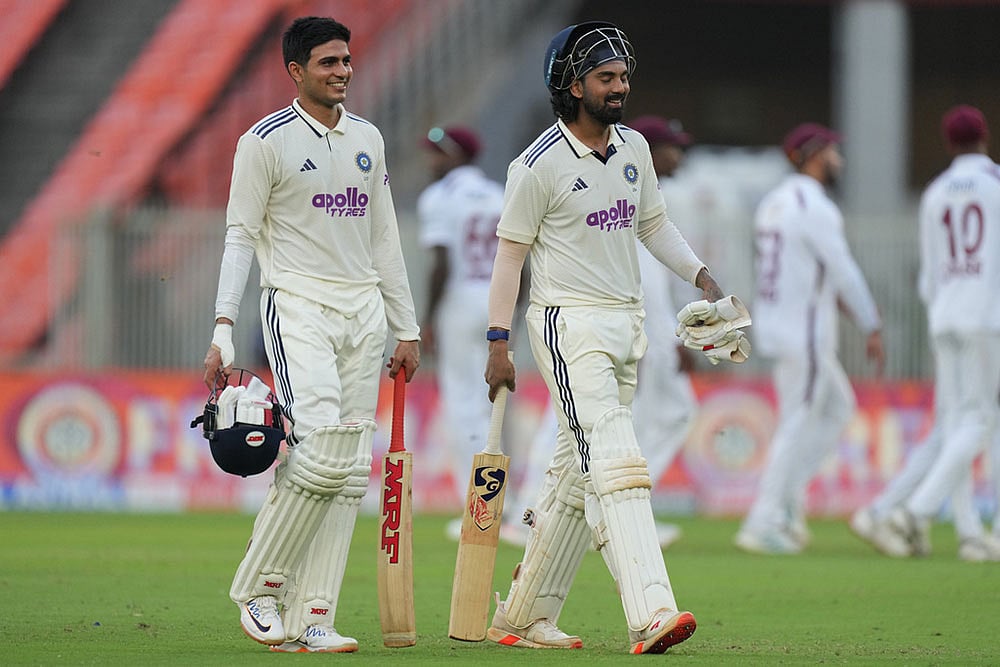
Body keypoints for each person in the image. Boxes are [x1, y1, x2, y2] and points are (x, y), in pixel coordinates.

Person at [483, 21, 733, 654]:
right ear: (571, 86)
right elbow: (509, 259)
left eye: (623, 76)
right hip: (567, 324)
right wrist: (497, 343)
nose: (620, 88)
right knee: (617, 463)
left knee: (574, 474)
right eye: (606, 78)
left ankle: (522, 615)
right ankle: (652, 611)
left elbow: (654, 227)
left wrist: (703, 277)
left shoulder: (634, 150)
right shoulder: (534, 166)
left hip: (626, 324)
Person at [201, 16, 420, 653]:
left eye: (347, 60)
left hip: (364, 315)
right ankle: (260, 589)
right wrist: (222, 327)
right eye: (328, 62)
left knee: (349, 471)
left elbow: (384, 235)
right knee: (320, 448)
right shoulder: (262, 142)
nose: (343, 71)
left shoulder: (368, 140)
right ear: (296, 72)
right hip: (296, 306)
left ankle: (313, 614)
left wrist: (404, 325)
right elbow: (240, 235)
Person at [502, 115, 699, 550]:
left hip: (627, 332)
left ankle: (547, 514)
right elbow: (642, 284)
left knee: (575, 429)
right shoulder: (585, 177)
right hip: (603, 328)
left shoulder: (636, 190)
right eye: (672, 147)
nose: (677, 156)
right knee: (576, 429)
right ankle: (549, 515)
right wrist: (659, 342)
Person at [735, 122, 884, 555]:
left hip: (778, 322)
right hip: (805, 332)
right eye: (834, 152)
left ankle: (787, 502)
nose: (839, 160)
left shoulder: (774, 202)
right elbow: (842, 270)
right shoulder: (815, 205)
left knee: (838, 408)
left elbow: (801, 267)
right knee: (796, 422)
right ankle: (764, 518)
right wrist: (870, 321)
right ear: (816, 154)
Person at [881, 105, 1000, 560]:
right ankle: (917, 510)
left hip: (944, 314)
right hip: (984, 315)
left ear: (949, 143)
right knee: (981, 420)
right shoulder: (994, 183)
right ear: (985, 135)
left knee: (958, 423)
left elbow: (928, 275)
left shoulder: (934, 192)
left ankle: (970, 532)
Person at [416, 125, 505, 540]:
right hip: (495, 304)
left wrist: (427, 320)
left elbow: (441, 265)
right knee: (493, 408)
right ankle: (501, 502)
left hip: (458, 301)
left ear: (457, 156)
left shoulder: (440, 198)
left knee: (462, 405)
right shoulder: (499, 194)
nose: (431, 162)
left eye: (438, 153)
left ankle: (477, 508)